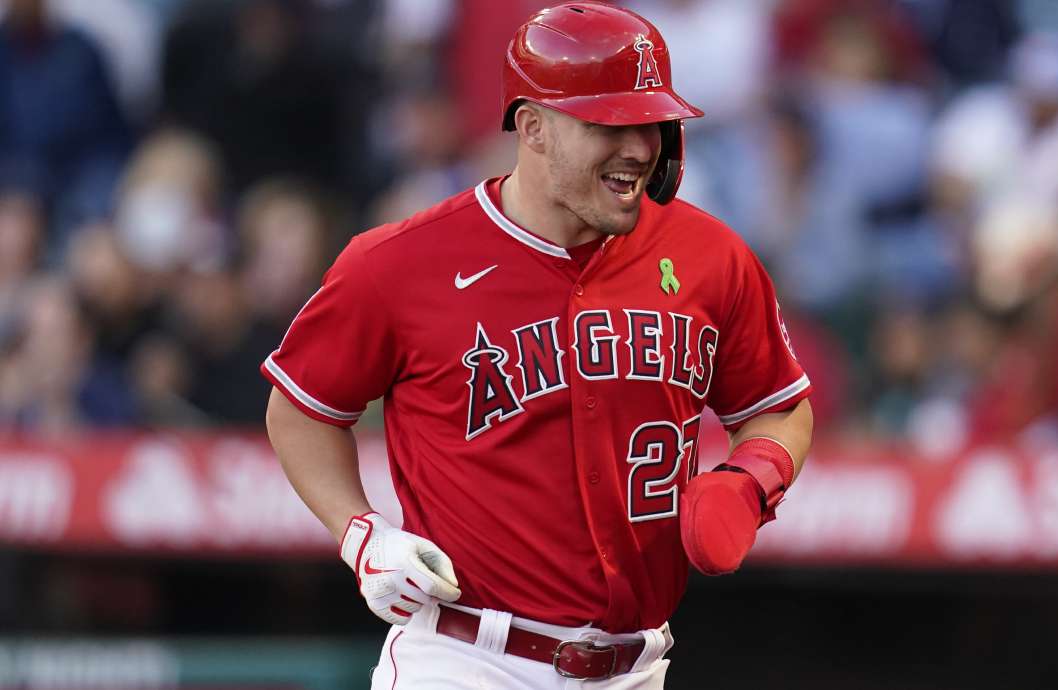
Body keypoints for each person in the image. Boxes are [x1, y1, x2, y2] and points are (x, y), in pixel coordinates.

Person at [262, 4, 813, 688]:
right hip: (467, 659)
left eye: (650, 122)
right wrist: (361, 533)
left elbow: (779, 405)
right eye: (609, 125)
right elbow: (302, 409)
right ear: (533, 127)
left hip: (638, 666)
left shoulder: (712, 256)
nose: (640, 149)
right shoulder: (399, 262)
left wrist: (752, 477)